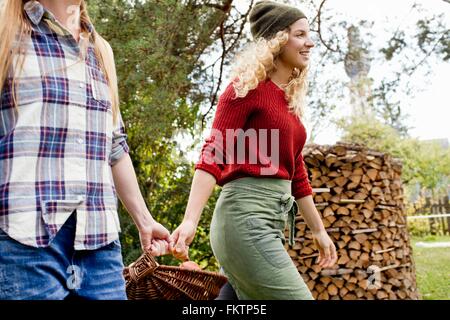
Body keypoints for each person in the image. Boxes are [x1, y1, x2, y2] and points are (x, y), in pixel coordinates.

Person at [0, 0, 170, 300]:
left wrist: (144, 221)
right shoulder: (6, 30)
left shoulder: (101, 50)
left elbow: (114, 145)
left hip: (100, 247)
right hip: (22, 242)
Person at [169, 0, 338, 300]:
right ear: (277, 40)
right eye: (300, 34)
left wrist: (319, 231)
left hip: (270, 221)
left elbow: (297, 174)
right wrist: (190, 220)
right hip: (245, 221)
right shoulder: (245, 90)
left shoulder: (288, 104)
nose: (310, 42)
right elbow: (215, 151)